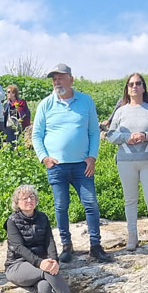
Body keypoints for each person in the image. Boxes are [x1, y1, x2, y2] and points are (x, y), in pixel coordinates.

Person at [33, 63, 110, 263]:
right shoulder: (46, 104)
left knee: (91, 204)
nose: (57, 82)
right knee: (61, 206)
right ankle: (66, 246)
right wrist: (44, 157)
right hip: (56, 166)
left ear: (71, 79)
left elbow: (94, 131)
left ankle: (95, 246)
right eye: (54, 79)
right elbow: (36, 135)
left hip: (81, 165)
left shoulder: (86, 101)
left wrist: (92, 157)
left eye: (60, 78)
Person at [4, 185, 94, 293]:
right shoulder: (11, 221)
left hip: (40, 265)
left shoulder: (42, 218)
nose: (29, 200)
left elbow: (49, 242)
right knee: (47, 272)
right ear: (17, 202)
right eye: (25, 198)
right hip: (17, 266)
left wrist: (53, 259)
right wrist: (41, 264)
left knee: (45, 285)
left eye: (32, 197)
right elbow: (19, 248)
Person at [105, 72, 148, 254]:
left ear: (143, 87)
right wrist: (127, 138)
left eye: (138, 83)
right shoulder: (120, 111)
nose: (134, 86)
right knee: (130, 200)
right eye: (131, 84)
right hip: (126, 161)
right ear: (127, 88)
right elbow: (111, 135)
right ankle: (132, 235)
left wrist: (145, 136)